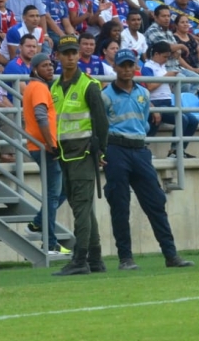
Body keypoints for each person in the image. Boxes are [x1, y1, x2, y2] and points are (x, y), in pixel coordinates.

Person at [101, 49, 196, 270]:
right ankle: (125, 258)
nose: (126, 70)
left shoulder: (143, 94)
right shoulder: (105, 95)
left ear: (135, 67)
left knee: (156, 203)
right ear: (115, 67)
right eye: (122, 65)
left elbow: (143, 122)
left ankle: (171, 255)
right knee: (119, 204)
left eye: (130, 65)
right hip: (115, 150)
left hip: (139, 150)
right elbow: (99, 124)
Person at [51, 35, 110, 276]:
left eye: (74, 52)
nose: (71, 56)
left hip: (84, 153)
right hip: (65, 155)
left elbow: (101, 121)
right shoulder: (54, 87)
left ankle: (80, 259)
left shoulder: (89, 85)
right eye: (66, 53)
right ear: (58, 56)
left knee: (81, 208)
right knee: (83, 207)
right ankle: (95, 259)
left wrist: (101, 150)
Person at [23, 52, 67, 254]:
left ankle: (37, 224)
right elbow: (41, 116)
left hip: (41, 146)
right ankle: (50, 244)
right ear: (35, 69)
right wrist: (51, 143)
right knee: (52, 194)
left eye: (51, 65)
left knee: (63, 188)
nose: (50, 68)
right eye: (45, 65)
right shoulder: (39, 87)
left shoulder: (35, 86)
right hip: (44, 147)